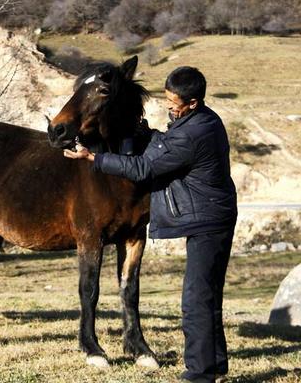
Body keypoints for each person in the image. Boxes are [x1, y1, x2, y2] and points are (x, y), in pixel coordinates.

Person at [64, 66, 237, 383]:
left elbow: (144, 167)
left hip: (208, 221)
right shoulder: (204, 120)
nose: (169, 105)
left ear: (193, 102)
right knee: (209, 295)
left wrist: (94, 159)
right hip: (215, 214)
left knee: (196, 300)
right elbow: (168, 143)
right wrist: (147, 134)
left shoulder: (191, 133)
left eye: (174, 101)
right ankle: (215, 367)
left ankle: (200, 374)